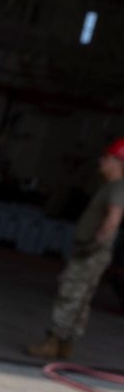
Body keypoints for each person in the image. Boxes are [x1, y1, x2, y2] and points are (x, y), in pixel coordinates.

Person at [28, 138, 124, 361]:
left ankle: (53, 342)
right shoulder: (111, 187)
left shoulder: (118, 188)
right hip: (93, 252)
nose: (100, 161)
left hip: (91, 252)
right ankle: (65, 345)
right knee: (80, 299)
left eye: (105, 157)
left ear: (118, 161)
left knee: (69, 294)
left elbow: (112, 220)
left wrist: (93, 245)